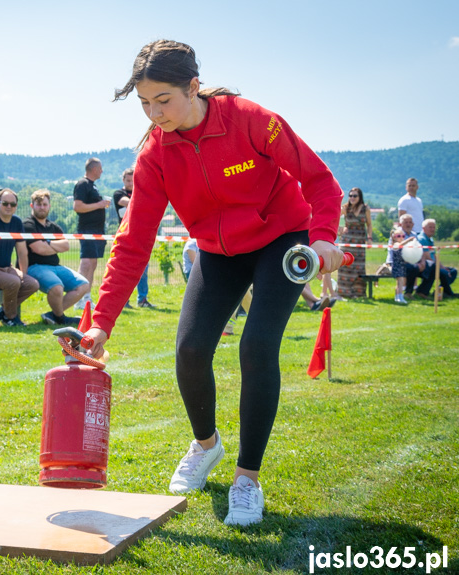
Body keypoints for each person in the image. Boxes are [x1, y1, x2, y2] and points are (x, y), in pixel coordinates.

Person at [83, 40, 344, 527]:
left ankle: (247, 478)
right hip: (218, 252)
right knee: (189, 348)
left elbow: (320, 181)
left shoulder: (250, 119)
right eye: (144, 103)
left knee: (257, 346)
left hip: (281, 241)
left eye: (163, 100)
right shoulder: (154, 157)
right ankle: (207, 446)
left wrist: (324, 237)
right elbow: (133, 242)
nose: (154, 113)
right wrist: (101, 325)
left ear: (194, 87)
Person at [23, 189, 89, 325]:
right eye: (38, 204)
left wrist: (46, 243)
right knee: (57, 287)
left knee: (83, 285)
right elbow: (38, 249)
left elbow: (66, 246)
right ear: (32, 206)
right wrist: (51, 246)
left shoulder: (54, 227)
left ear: (49, 206)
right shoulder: (27, 225)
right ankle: (60, 318)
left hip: (55, 266)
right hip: (35, 267)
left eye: (45, 204)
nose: (42, 208)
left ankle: (53, 315)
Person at [0, 189, 39, 327]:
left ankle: (0, 311)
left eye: (12, 204)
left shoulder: (16, 222)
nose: (9, 207)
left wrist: (24, 274)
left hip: (6, 267)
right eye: (5, 203)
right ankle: (10, 317)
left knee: (32, 284)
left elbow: (22, 252)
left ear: (16, 206)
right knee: (13, 282)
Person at [112, 168, 155, 308]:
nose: (131, 183)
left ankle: (142, 299)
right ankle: (122, 301)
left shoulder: (139, 192)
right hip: (125, 238)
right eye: (128, 180)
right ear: (123, 180)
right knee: (123, 271)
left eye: (133, 180)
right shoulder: (119, 193)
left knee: (143, 271)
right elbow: (128, 202)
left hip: (141, 236)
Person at [73, 158, 110, 310]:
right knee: (86, 263)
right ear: (94, 169)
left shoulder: (92, 186)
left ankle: (86, 298)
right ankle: (78, 298)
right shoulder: (82, 184)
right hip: (87, 231)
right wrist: (99, 205)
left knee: (93, 264)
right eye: (100, 168)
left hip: (96, 232)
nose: (101, 171)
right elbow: (78, 206)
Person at [337, 188, 372, 299]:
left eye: (355, 196)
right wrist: (339, 229)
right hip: (347, 241)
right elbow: (334, 215)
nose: (352, 198)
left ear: (360, 197)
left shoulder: (365, 208)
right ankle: (343, 293)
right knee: (345, 266)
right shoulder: (346, 208)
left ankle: (359, 293)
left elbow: (369, 224)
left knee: (359, 267)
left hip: (360, 241)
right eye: (350, 195)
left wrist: (369, 237)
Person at [411, 219, 456, 299]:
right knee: (443, 273)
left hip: (433, 264)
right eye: (430, 227)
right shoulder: (422, 239)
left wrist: (442, 267)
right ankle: (448, 293)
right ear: (423, 228)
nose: (432, 229)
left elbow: (434, 256)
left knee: (453, 271)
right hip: (426, 266)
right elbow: (427, 257)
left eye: (434, 227)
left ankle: (440, 291)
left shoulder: (430, 239)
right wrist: (439, 268)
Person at [390, 227, 409, 304]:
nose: (401, 238)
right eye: (398, 236)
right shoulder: (396, 244)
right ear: (394, 238)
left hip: (402, 266)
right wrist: (409, 240)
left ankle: (398, 296)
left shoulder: (402, 245)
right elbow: (399, 245)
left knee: (400, 283)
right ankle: (400, 297)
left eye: (403, 236)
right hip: (397, 267)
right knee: (400, 283)